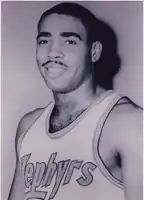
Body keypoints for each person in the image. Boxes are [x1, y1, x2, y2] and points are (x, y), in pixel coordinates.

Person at [8, 2, 142, 200]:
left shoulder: (129, 123)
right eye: (44, 41)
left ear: (94, 52)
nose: (52, 52)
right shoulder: (29, 126)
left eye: (69, 41)